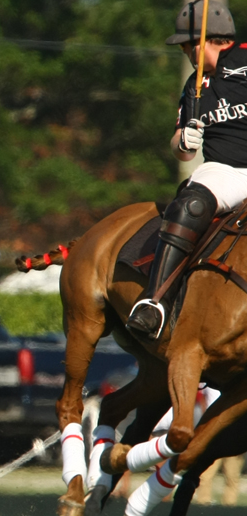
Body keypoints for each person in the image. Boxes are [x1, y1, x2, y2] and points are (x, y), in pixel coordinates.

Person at [127, 1, 241, 339]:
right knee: (189, 204)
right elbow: (180, 148)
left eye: (188, 45)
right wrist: (184, 140)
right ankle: (156, 301)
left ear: (211, 38)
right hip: (227, 172)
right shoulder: (194, 86)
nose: (186, 53)